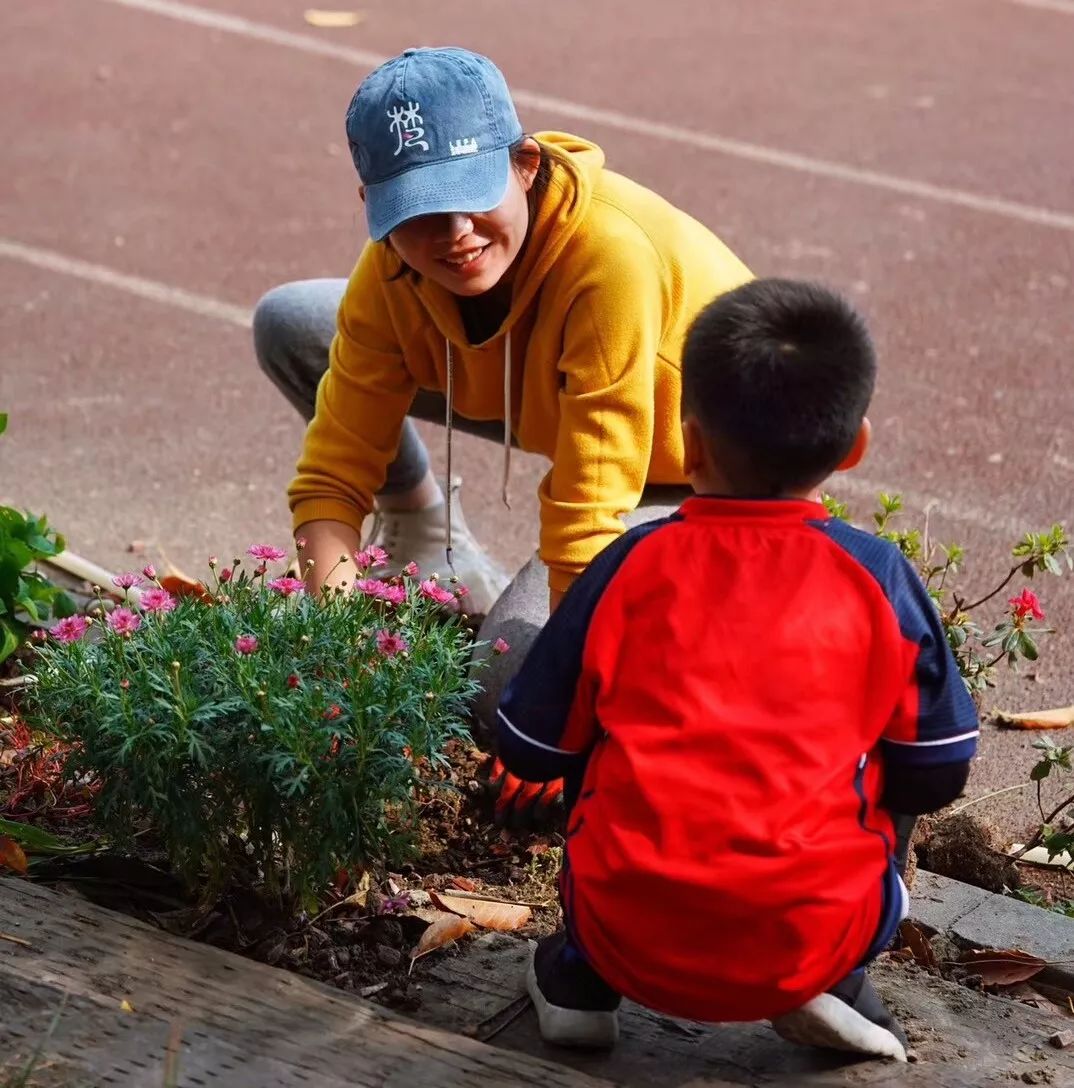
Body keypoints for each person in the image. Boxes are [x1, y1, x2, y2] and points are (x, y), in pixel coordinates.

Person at [496, 278, 979, 1060]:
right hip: (809, 933)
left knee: (601, 760)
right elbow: (941, 769)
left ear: (690, 442)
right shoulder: (878, 576)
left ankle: (576, 985)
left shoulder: (631, 565)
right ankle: (838, 980)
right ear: (854, 445)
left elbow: (530, 748)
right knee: (887, 774)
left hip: (623, 930)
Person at [252, 46, 752, 625]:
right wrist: (336, 639)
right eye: (422, 211)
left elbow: (587, 513)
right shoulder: (392, 265)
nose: (457, 233)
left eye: (472, 192)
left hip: (694, 465)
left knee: (506, 675)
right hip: (561, 406)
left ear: (527, 165)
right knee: (295, 320)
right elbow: (333, 473)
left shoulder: (612, 259)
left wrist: (565, 674)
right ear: (374, 207)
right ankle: (425, 534)